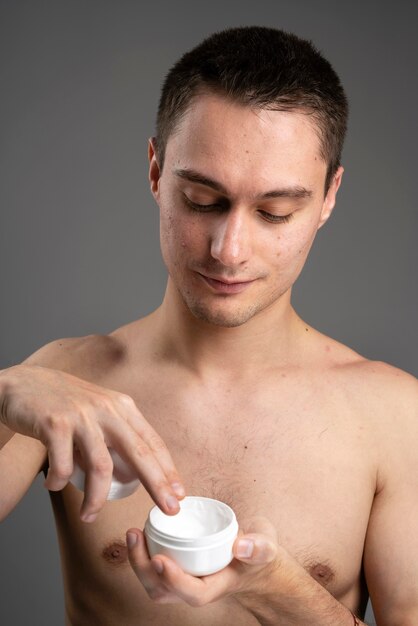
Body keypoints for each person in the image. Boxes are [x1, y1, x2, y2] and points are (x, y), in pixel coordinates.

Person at [0, 25, 416, 626]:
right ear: (155, 171)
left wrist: (277, 588)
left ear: (328, 198)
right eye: (201, 200)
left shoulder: (396, 417)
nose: (229, 249)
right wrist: (6, 392)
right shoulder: (66, 382)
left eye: (275, 212)